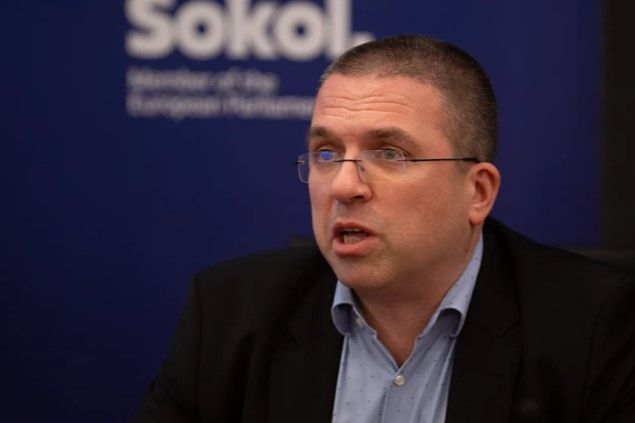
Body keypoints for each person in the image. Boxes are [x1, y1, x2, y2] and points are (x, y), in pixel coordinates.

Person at [135, 35, 635, 423]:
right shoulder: (228, 314)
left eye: (390, 153)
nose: (344, 185)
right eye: (326, 153)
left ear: (478, 192)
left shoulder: (599, 328)